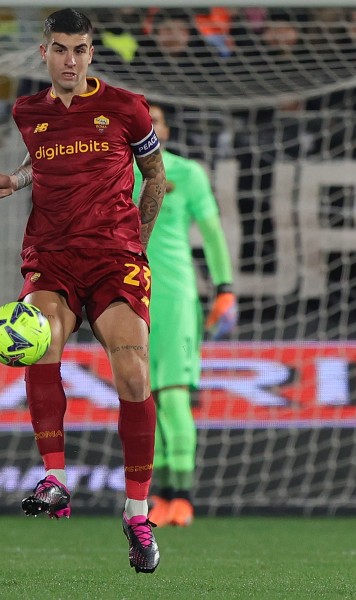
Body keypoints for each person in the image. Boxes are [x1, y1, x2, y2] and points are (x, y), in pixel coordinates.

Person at [0, 8, 166, 574]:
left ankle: (137, 513)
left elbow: (155, 175)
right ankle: (55, 479)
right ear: (43, 53)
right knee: (39, 335)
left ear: (91, 53)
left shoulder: (126, 107)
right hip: (51, 258)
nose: (70, 60)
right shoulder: (28, 112)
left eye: (80, 49)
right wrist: (14, 178)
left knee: (133, 372)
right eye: (60, 49)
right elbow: (44, 159)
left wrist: (138, 243)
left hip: (113, 261)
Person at [132, 104, 237, 527]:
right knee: (144, 399)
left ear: (166, 130)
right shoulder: (117, 171)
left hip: (174, 295)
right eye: (143, 122)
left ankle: (183, 496)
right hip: (129, 293)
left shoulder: (187, 174)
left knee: (173, 395)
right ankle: (158, 494)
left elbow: (211, 232)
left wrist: (225, 288)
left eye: (155, 122)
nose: (149, 128)